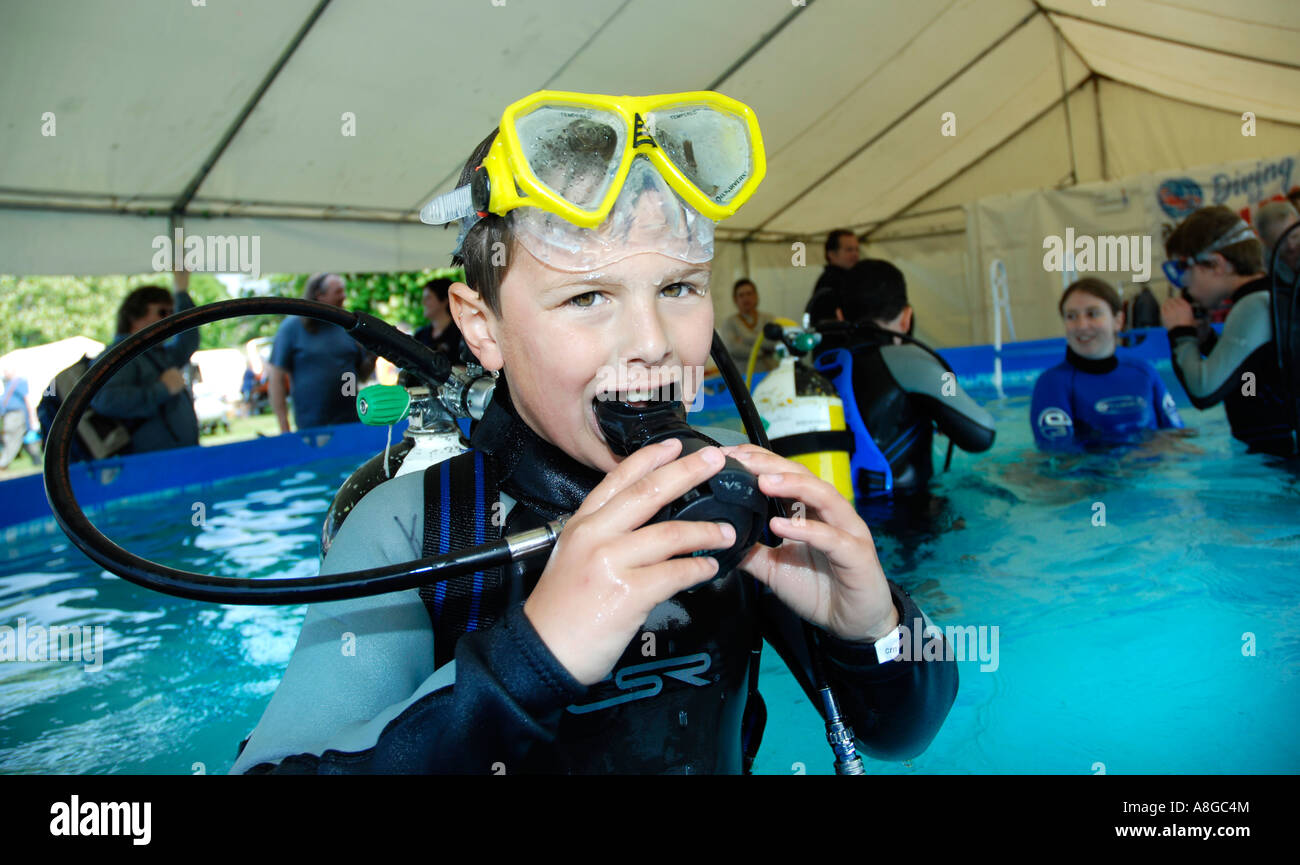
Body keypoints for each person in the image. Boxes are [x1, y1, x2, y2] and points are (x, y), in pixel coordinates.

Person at [233, 90, 957, 775]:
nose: (654, 342)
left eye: (677, 287)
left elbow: (901, 733)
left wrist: (877, 627)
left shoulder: (728, 497)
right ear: (483, 327)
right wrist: (533, 655)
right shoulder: (415, 530)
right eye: (587, 296)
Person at [826, 259, 995, 492]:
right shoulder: (910, 360)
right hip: (909, 518)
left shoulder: (825, 366)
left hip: (842, 513)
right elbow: (982, 434)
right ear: (907, 317)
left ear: (840, 316)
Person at [1159, 206, 1296, 456]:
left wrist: (1181, 335)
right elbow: (1250, 384)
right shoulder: (1270, 297)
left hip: (1282, 466)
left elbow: (1204, 391)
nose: (1184, 282)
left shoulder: (1254, 304)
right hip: (1278, 456)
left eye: (1183, 268)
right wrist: (1207, 341)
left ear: (1217, 264)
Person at [1032, 278, 1183, 449]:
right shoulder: (1053, 384)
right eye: (1071, 316)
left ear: (1118, 321)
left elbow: (1177, 436)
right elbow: (1058, 459)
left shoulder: (1144, 373)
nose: (1082, 325)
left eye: (1093, 314)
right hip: (1095, 475)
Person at [89, 273, 200, 454]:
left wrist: (181, 293)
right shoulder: (119, 356)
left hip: (175, 462)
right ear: (134, 317)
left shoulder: (156, 354)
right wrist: (162, 389)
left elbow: (188, 340)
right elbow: (105, 400)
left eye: (173, 312)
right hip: (150, 468)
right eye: (163, 312)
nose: (171, 319)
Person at [267, 273, 376, 433]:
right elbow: (276, 379)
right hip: (313, 426)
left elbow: (361, 375)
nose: (344, 296)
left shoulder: (348, 325)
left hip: (352, 421)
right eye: (338, 292)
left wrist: (373, 358)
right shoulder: (293, 327)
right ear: (319, 295)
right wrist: (284, 428)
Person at [718, 278, 777, 373]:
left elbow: (774, 343)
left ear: (756, 296)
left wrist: (745, 338)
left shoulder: (768, 319)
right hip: (743, 378)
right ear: (735, 299)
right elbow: (733, 349)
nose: (746, 298)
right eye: (741, 295)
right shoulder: (729, 323)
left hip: (769, 373)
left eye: (749, 294)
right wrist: (763, 351)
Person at [804, 228, 859, 326]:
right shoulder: (829, 282)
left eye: (856, 249)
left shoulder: (851, 279)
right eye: (849, 250)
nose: (855, 254)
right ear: (832, 254)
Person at [413, 277, 464, 361]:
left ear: (444, 300)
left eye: (428, 298)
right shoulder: (420, 335)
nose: (423, 302)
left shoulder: (461, 334)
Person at [0, 365, 37, 470]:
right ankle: (37, 460)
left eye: (6, 370)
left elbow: (27, 399)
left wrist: (32, 416)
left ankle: (2, 464)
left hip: (15, 415)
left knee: (11, 438)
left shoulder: (19, 382)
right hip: (10, 415)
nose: (5, 373)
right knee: (22, 439)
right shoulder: (8, 383)